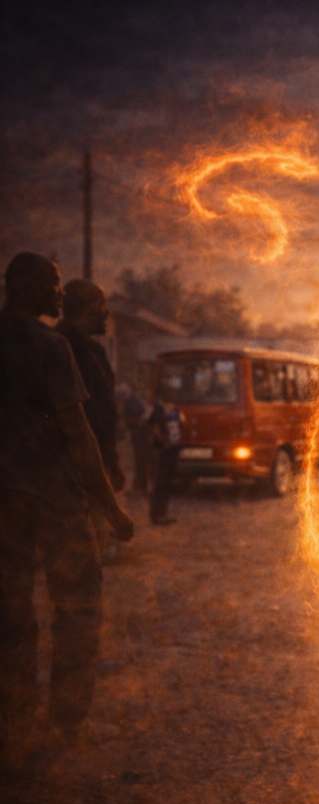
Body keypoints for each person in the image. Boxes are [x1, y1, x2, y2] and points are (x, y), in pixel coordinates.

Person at [0, 253, 134, 756]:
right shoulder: (49, 347)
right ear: (29, 286)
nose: (58, 295)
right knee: (77, 606)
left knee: (11, 614)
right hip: (54, 500)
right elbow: (79, 435)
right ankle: (66, 718)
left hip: (5, 506)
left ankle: (14, 720)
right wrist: (113, 509)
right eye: (53, 285)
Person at [57, 279, 125, 556]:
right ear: (84, 309)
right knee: (79, 554)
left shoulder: (92, 350)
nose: (106, 313)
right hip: (73, 468)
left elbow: (103, 415)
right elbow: (86, 420)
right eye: (101, 305)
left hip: (93, 462)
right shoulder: (60, 348)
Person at [148, 391, 183, 525]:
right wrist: (161, 439)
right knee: (159, 482)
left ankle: (164, 512)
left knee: (168, 483)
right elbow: (150, 424)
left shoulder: (174, 409)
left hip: (173, 449)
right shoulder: (156, 408)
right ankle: (156, 514)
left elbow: (181, 422)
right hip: (162, 450)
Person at [124, 389, 154, 495]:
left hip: (141, 438)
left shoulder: (133, 403)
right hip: (142, 437)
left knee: (141, 463)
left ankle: (140, 487)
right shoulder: (138, 403)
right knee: (142, 463)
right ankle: (141, 487)